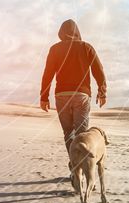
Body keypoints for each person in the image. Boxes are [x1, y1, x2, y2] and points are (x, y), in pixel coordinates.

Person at [40, 19, 107, 157]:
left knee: (68, 133)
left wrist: (44, 97)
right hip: (81, 95)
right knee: (82, 134)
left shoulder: (55, 49)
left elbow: (48, 74)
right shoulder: (86, 47)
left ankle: (74, 166)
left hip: (61, 95)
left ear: (61, 33)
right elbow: (98, 70)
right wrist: (102, 92)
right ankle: (79, 169)